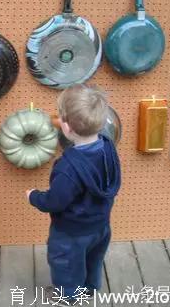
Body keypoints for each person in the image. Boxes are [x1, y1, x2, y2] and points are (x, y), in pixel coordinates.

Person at [27, 84, 121, 306]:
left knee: (66, 265)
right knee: (93, 259)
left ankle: (68, 296)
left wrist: (34, 196)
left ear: (66, 129)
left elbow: (55, 201)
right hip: (100, 226)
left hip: (71, 232)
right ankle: (90, 288)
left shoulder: (68, 167)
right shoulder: (108, 147)